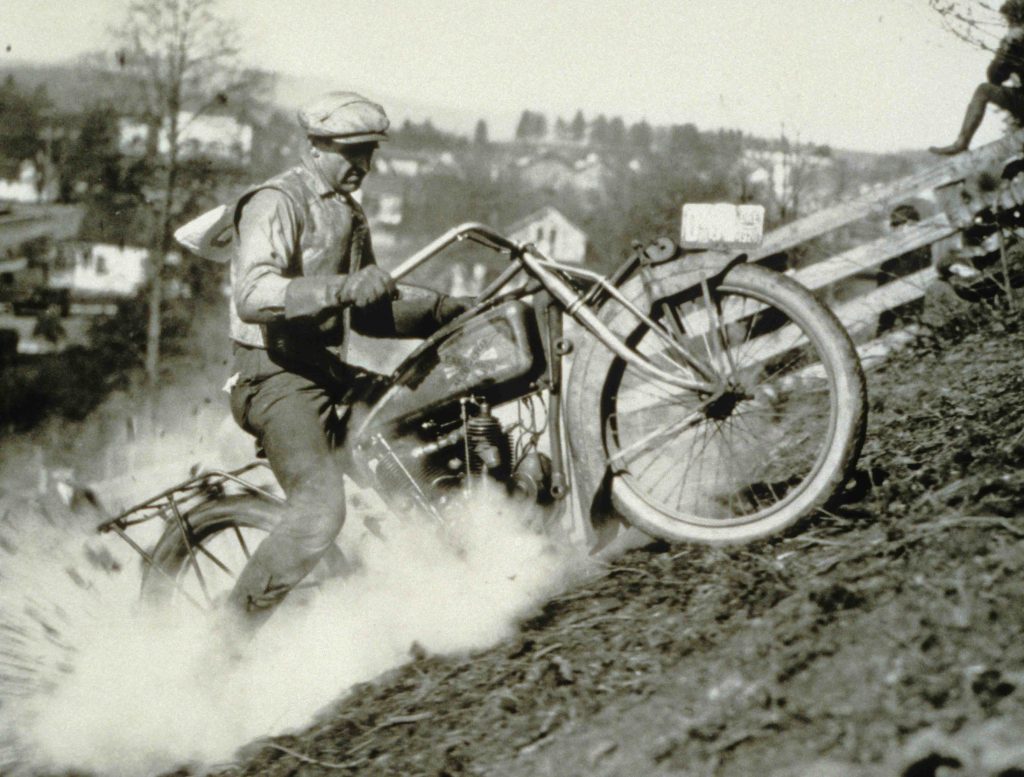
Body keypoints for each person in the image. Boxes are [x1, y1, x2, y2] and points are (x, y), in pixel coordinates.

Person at [224, 91, 471, 631]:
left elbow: (373, 314)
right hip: (274, 377)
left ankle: (453, 579)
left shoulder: (347, 212)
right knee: (319, 511)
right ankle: (223, 644)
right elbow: (255, 293)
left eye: (371, 152)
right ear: (317, 145)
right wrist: (341, 287)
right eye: (353, 151)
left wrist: (449, 311)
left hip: (322, 369)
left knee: (424, 427)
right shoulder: (276, 202)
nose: (365, 165)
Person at [931, 0, 1024, 155]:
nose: (1010, 25)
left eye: (1012, 21)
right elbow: (994, 78)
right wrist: (1006, 50)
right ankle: (961, 142)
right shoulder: (1013, 41)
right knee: (984, 90)